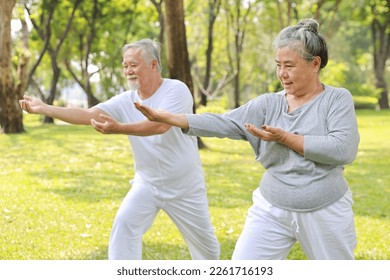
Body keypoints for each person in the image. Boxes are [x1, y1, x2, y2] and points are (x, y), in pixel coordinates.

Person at [135, 19, 360, 260]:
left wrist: (285, 137)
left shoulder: (336, 99)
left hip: (324, 210)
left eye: (289, 66)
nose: (282, 74)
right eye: (278, 65)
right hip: (271, 208)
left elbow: (342, 149)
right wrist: (173, 118)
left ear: (315, 64)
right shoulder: (269, 103)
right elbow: (226, 122)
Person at [19, 39, 220, 260]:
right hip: (148, 184)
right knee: (124, 226)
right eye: (125, 66)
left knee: (207, 252)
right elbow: (88, 115)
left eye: (133, 65)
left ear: (153, 64)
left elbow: (161, 125)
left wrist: (119, 128)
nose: (128, 71)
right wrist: (45, 108)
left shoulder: (176, 90)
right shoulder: (126, 100)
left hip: (185, 186)